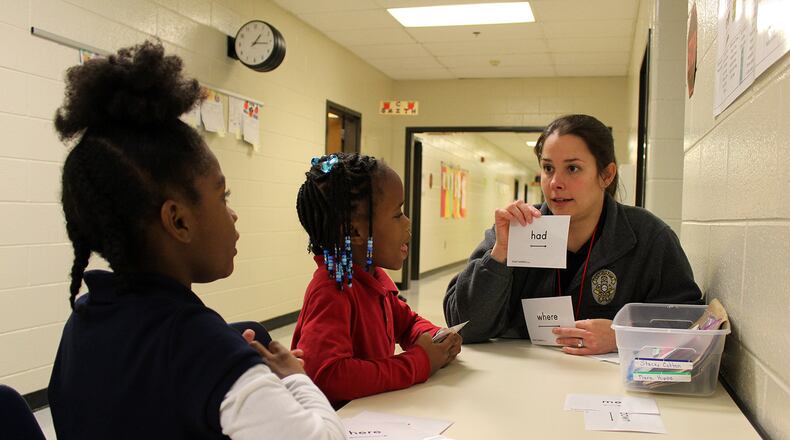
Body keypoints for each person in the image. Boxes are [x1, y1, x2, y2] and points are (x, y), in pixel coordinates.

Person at [47, 41, 345, 440]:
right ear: (179, 221)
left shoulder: (82, 321)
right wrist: (293, 377)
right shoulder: (201, 347)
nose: (233, 214)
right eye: (223, 197)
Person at [444, 114, 702, 355]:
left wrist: (620, 336)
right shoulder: (515, 230)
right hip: (525, 382)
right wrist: (499, 255)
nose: (555, 182)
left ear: (606, 175)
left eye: (573, 169)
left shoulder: (648, 237)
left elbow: (689, 323)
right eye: (548, 168)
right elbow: (465, 326)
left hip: (609, 388)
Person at [292, 153, 462, 407]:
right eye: (397, 214)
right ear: (355, 231)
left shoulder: (373, 278)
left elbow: (407, 324)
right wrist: (419, 362)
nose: (407, 222)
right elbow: (328, 375)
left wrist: (436, 338)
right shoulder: (333, 289)